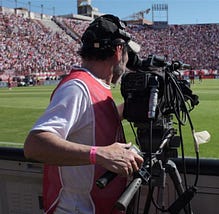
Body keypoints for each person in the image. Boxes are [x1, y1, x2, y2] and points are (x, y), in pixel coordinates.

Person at [24, 14, 144, 214]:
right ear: (118, 50)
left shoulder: (92, 85)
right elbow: (34, 145)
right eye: (127, 54)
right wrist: (100, 154)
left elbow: (95, 119)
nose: (127, 61)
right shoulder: (78, 87)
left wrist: (137, 104)